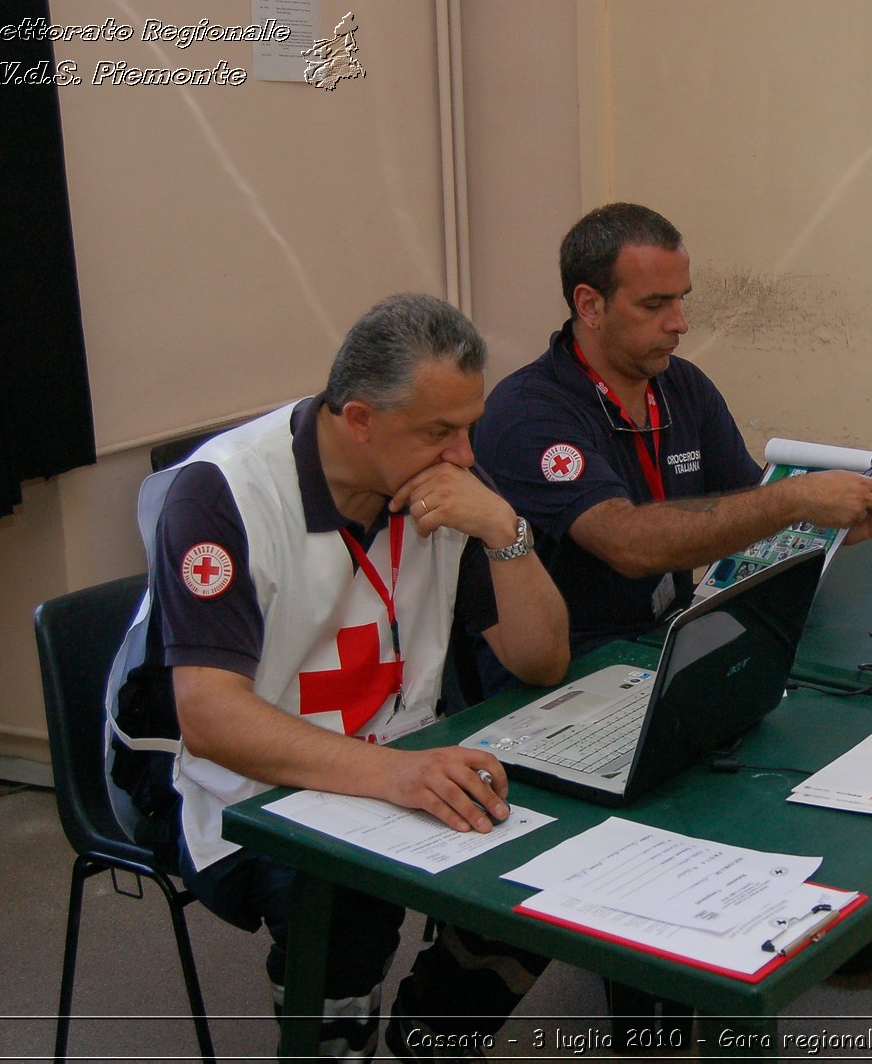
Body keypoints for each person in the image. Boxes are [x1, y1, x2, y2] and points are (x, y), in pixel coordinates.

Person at [108, 293, 569, 1061]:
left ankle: (434, 1033)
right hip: (243, 792)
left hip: (398, 753)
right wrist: (394, 775)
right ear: (358, 420)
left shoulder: (446, 477)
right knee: (350, 893)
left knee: (561, 830)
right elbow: (213, 721)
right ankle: (332, 1047)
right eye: (438, 431)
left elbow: (540, 661)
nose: (463, 453)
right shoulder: (223, 494)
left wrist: (505, 531)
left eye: (469, 427)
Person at [473, 203, 872, 974]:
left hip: (668, 641)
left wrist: (834, 526)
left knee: (788, 710)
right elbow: (624, 542)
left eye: (683, 300)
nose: (679, 323)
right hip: (564, 669)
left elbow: (740, 519)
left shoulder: (683, 389)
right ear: (588, 305)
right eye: (655, 305)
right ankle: (661, 951)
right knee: (703, 748)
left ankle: (780, 905)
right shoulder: (529, 411)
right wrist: (795, 498)